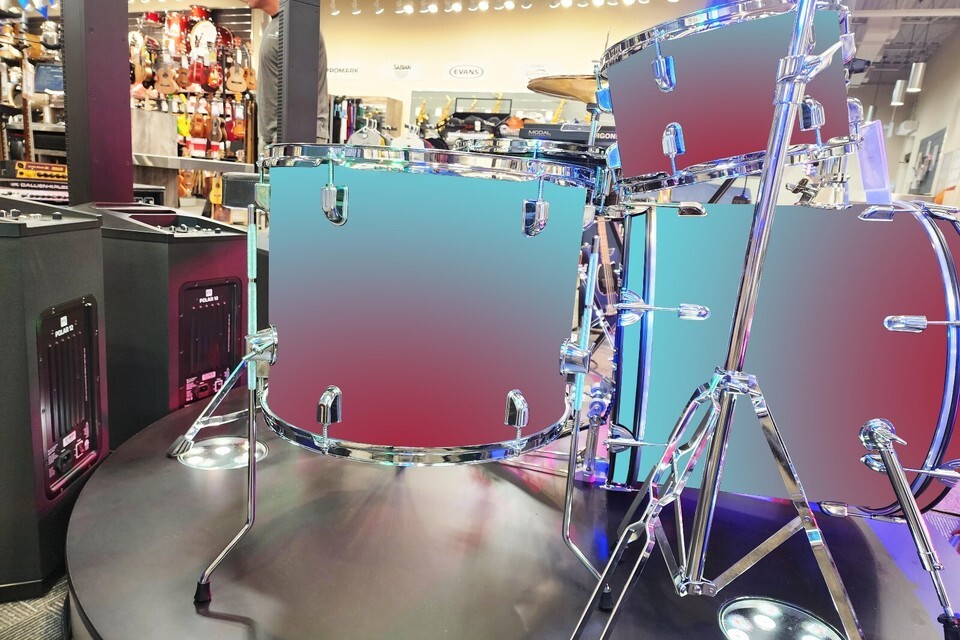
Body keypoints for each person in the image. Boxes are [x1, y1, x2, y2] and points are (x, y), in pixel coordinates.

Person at [247, 0, 330, 153]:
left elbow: (302, 95)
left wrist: (282, 144)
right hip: (272, 139)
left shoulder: (298, 25)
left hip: (291, 141)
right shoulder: (275, 25)